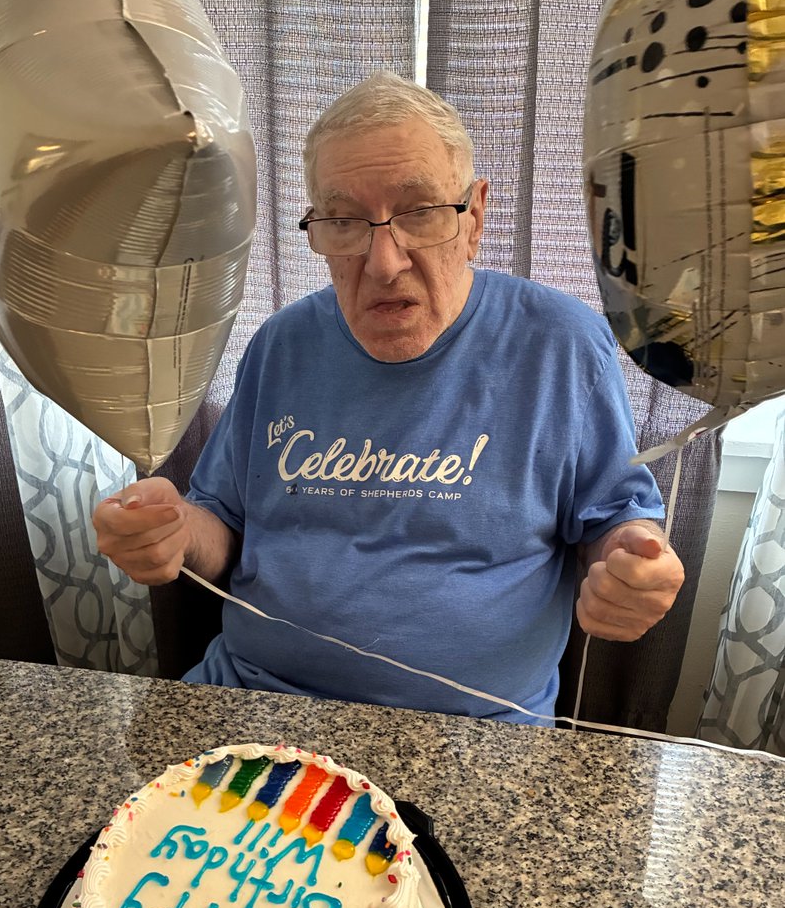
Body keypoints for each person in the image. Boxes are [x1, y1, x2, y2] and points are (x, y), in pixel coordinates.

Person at [93, 72, 684, 722]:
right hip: (251, 698)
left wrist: (632, 565)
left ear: (475, 216)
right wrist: (173, 529)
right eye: (344, 221)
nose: (382, 261)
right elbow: (221, 529)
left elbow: (614, 523)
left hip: (473, 733)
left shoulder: (561, 346)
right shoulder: (282, 346)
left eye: (420, 212)